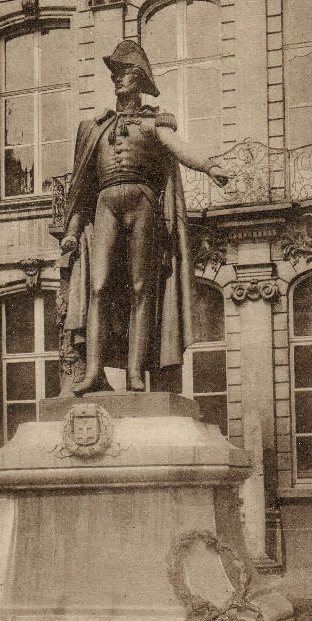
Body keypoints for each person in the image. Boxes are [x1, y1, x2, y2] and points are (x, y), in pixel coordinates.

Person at [60, 40, 230, 394]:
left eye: (127, 73)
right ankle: (93, 371)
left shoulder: (154, 123)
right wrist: (73, 230)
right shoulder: (96, 127)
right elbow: (82, 186)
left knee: (141, 287)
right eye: (117, 73)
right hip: (105, 202)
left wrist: (210, 166)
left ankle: (136, 373)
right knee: (99, 286)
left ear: (141, 81)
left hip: (143, 203)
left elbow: (180, 150)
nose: (119, 79)